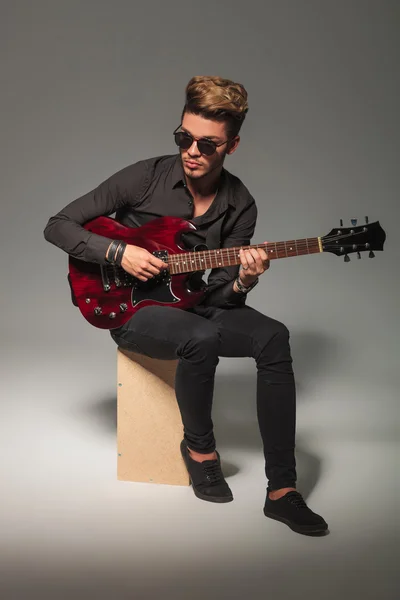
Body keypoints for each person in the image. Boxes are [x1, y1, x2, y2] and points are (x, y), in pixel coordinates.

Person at [44, 75, 328, 535]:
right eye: (184, 137)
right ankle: (200, 451)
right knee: (201, 337)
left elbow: (218, 295)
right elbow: (58, 226)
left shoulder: (241, 204)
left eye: (208, 144)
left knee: (273, 336)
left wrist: (244, 280)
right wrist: (119, 253)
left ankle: (282, 490)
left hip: (196, 304)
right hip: (131, 308)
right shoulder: (144, 176)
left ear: (232, 146)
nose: (192, 151)